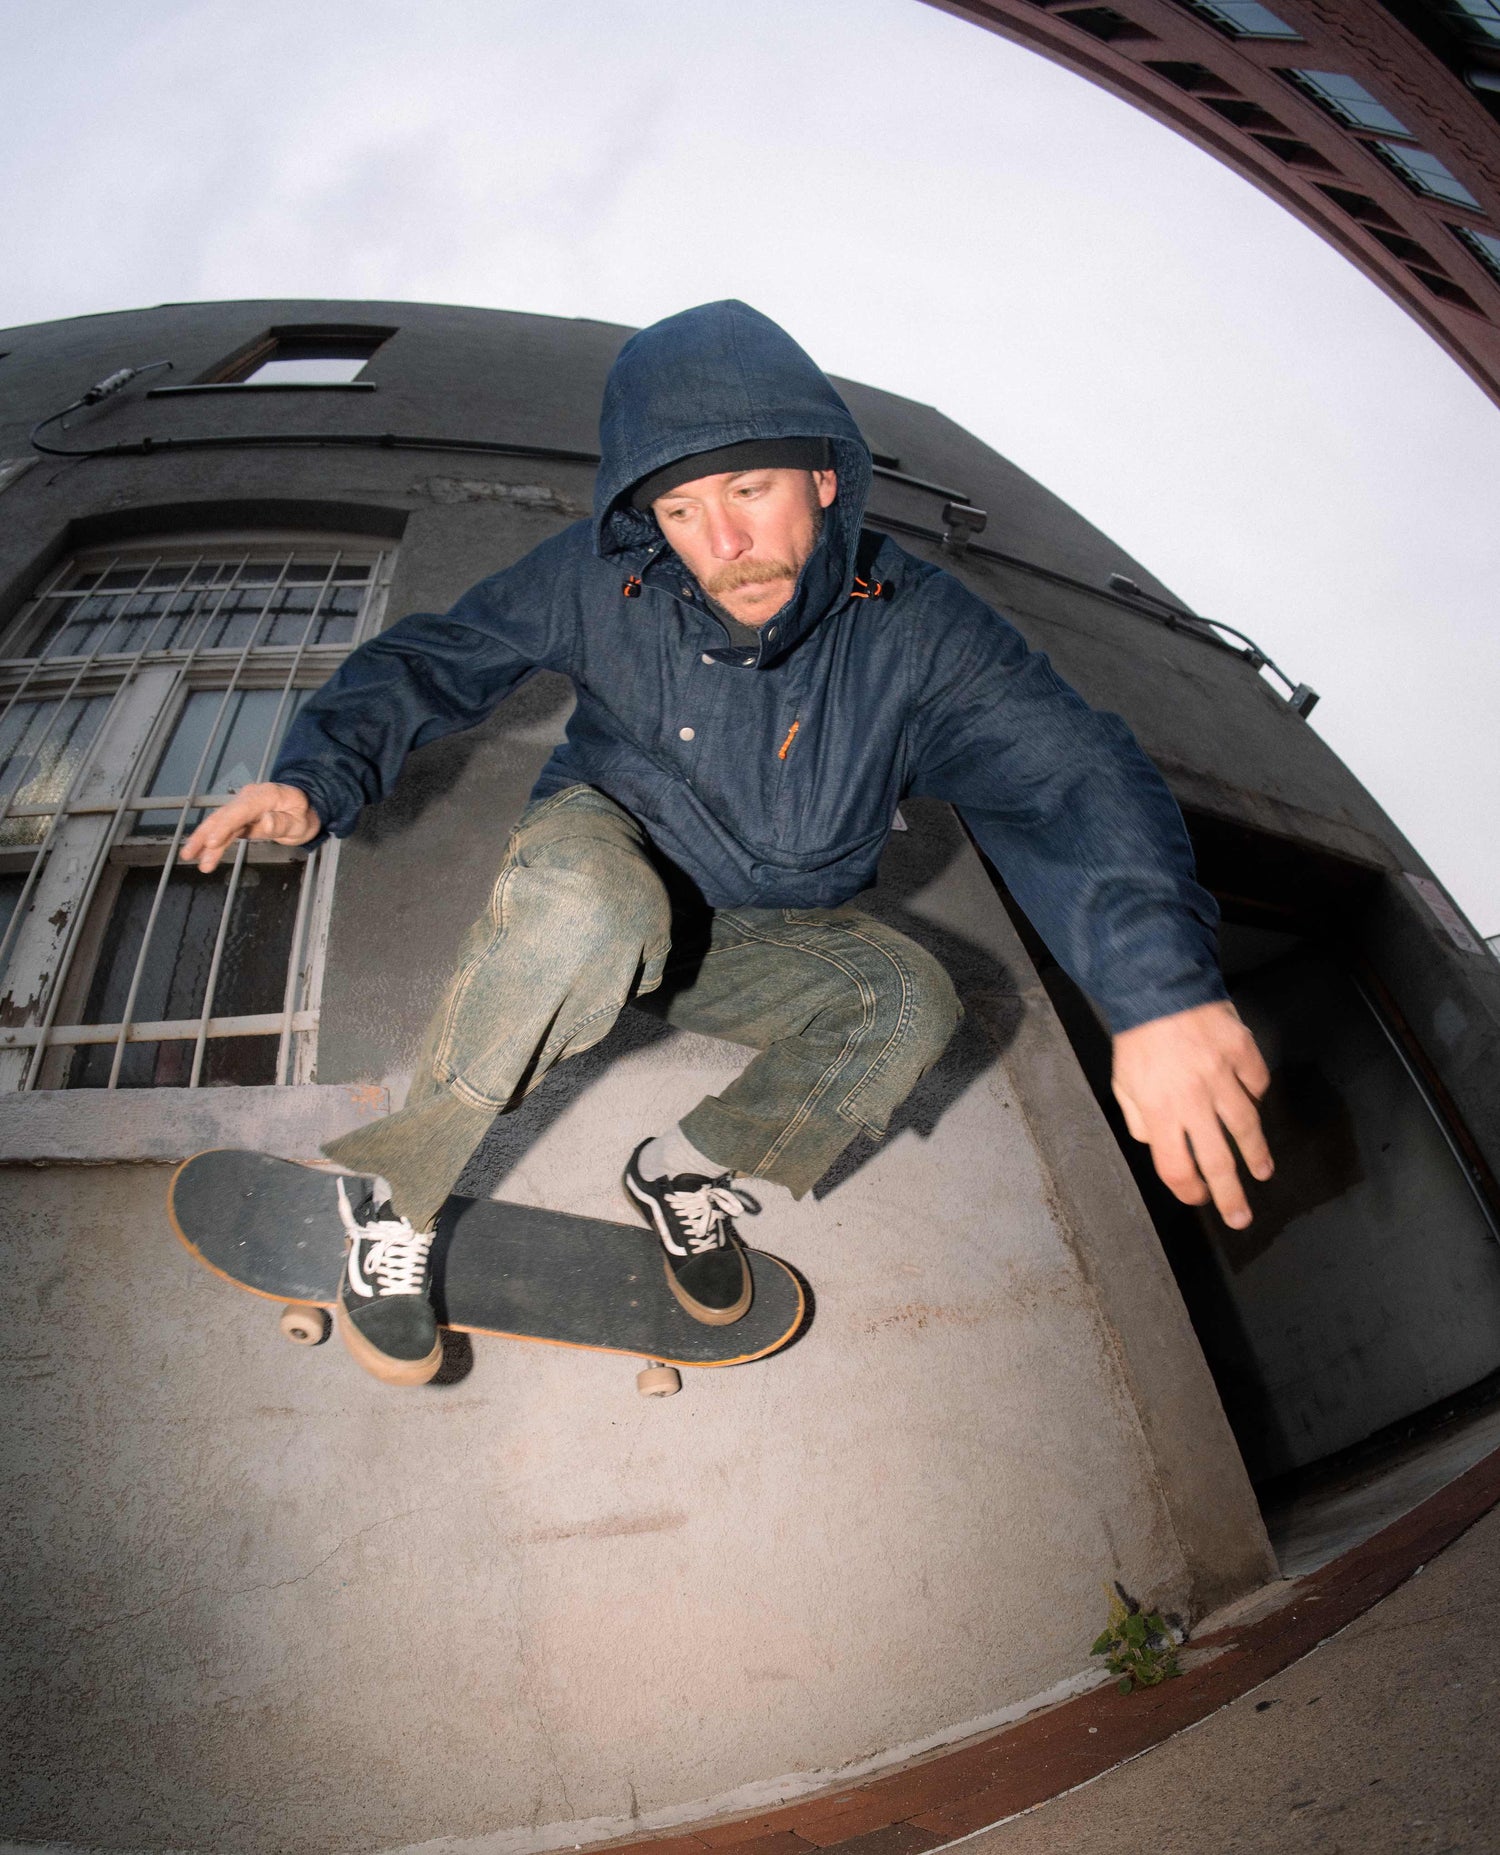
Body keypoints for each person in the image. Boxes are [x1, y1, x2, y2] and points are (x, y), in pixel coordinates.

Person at [181, 300, 1274, 1388]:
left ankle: (681, 1173)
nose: (727, 547)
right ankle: (395, 1194)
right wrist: (312, 776)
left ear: (824, 479)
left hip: (748, 930)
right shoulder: (599, 579)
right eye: (685, 512)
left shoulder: (918, 628)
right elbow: (438, 655)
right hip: (605, 854)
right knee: (593, 914)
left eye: (751, 493)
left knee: (911, 999)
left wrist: (1156, 991)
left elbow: (1067, 773)